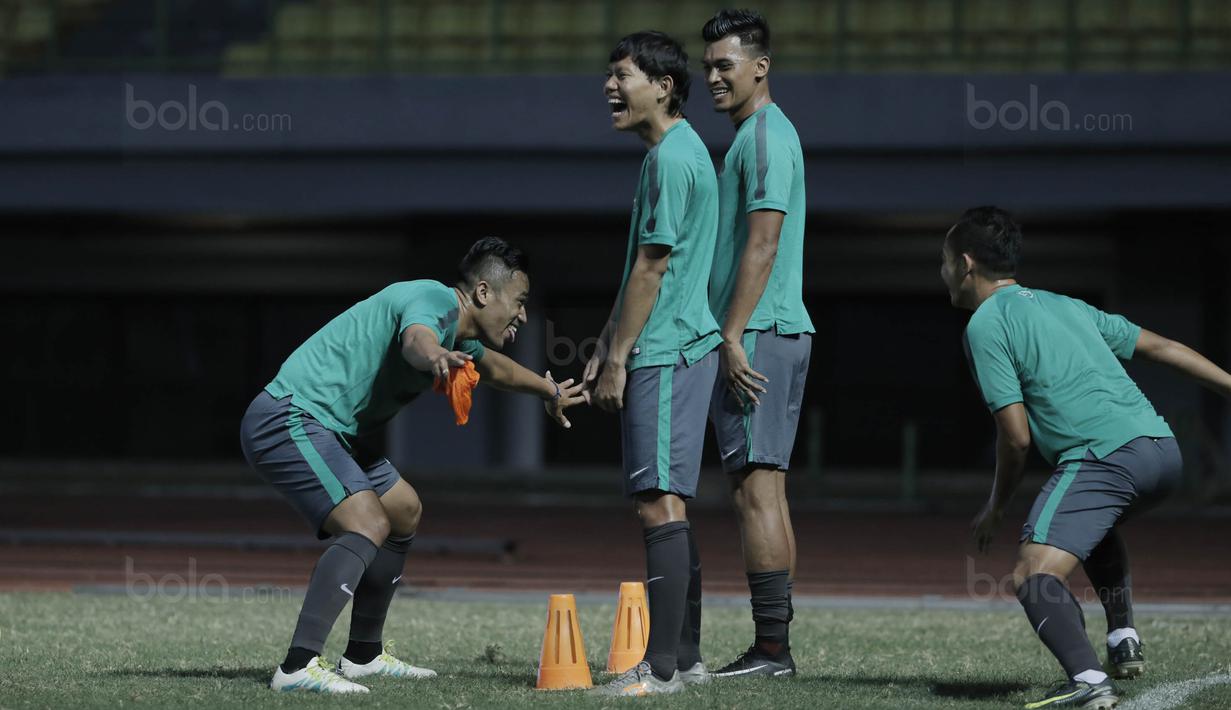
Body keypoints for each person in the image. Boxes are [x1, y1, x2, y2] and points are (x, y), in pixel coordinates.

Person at [240, 237, 586, 694]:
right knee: (366, 523)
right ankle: (297, 667)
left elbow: (497, 370)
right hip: (290, 418)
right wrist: (435, 356)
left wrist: (550, 391)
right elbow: (416, 341)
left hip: (332, 431)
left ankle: (363, 655)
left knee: (403, 509)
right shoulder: (433, 299)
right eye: (519, 302)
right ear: (483, 293)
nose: (522, 315)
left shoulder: (458, 334)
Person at [942, 206, 1231, 709]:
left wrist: (996, 506)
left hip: (1103, 457)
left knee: (1032, 574)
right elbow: (1163, 346)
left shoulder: (985, 324)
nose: (942, 272)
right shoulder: (1066, 304)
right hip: (1161, 450)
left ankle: (1089, 680)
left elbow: (1015, 439)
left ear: (965, 263)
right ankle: (1123, 638)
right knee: (1091, 526)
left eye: (943, 262)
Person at [584, 30, 722, 697]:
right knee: (668, 504)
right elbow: (642, 268)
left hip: (666, 352)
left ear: (663, 87)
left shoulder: (671, 158)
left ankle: (660, 668)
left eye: (622, 76)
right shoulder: (674, 152)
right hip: (669, 346)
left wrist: (619, 360)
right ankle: (684, 659)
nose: (609, 87)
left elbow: (652, 267)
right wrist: (606, 343)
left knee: (657, 503)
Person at [700, 8, 813, 678]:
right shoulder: (756, 135)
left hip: (759, 333)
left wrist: (732, 333)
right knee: (763, 489)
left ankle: (772, 650)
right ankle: (774, 647)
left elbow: (763, 242)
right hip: (771, 329)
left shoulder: (766, 136)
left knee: (755, 492)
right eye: (708, 67)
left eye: (726, 65)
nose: (713, 77)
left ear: (760, 68)